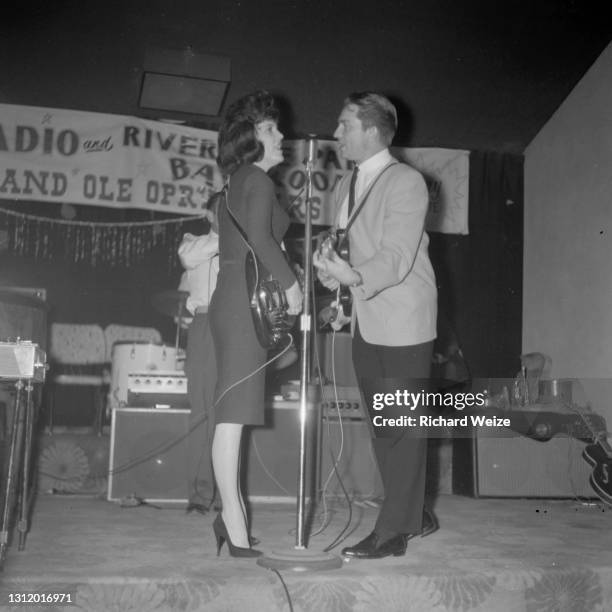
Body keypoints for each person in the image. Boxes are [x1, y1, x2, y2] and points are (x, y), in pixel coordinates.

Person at [313, 92, 438, 559]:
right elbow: (352, 250)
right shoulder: (349, 184)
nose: (336, 132)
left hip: (404, 319)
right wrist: (336, 276)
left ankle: (393, 531)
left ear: (372, 130)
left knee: (402, 425)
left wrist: (357, 277)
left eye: (345, 124)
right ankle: (416, 513)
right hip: (367, 316)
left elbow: (397, 256)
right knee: (386, 426)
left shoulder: (405, 181)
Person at [208, 90, 303, 557]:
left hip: (232, 301)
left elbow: (265, 232)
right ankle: (233, 521)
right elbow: (264, 242)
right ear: (251, 137)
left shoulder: (241, 180)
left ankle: (230, 516)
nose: (281, 134)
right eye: (270, 128)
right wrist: (293, 287)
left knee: (234, 416)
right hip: (245, 305)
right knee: (232, 418)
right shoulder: (257, 182)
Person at [178, 199, 220, 516]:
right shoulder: (194, 242)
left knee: (229, 412)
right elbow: (188, 257)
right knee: (203, 412)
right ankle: (200, 493)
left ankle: (227, 493)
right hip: (206, 324)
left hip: (240, 327)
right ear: (208, 214)